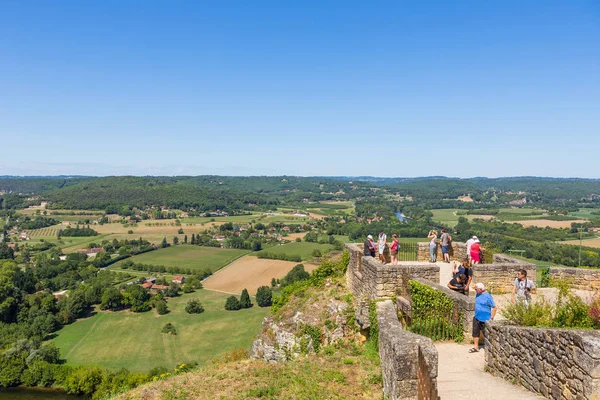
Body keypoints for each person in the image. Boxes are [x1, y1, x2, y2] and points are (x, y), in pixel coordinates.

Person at [470, 282, 496, 353]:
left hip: (485, 318)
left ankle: (490, 348)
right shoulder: (478, 294)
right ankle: (476, 347)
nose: (475, 290)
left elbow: (494, 307)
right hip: (477, 316)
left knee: (487, 334)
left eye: (476, 289)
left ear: (481, 289)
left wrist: (492, 318)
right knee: (475, 332)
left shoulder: (488, 296)